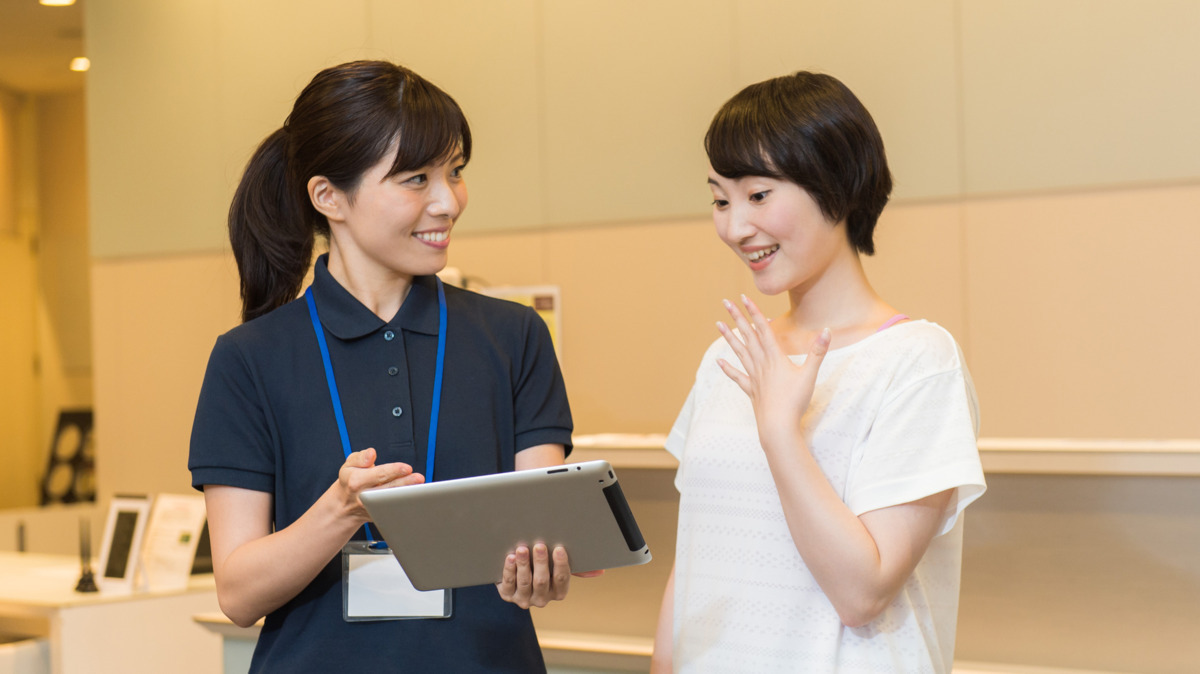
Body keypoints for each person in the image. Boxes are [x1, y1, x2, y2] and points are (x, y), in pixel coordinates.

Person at [188, 60, 581, 673]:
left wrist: (543, 569)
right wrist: (340, 510)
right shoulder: (249, 359)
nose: (448, 201)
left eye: (455, 172)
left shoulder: (514, 336)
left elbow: (539, 529)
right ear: (328, 197)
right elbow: (238, 594)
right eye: (415, 179)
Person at [651, 72, 987, 673]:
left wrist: (780, 429)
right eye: (720, 199)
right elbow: (697, 557)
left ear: (838, 184)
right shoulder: (730, 356)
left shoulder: (917, 361)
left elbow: (862, 593)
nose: (735, 227)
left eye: (758, 196)